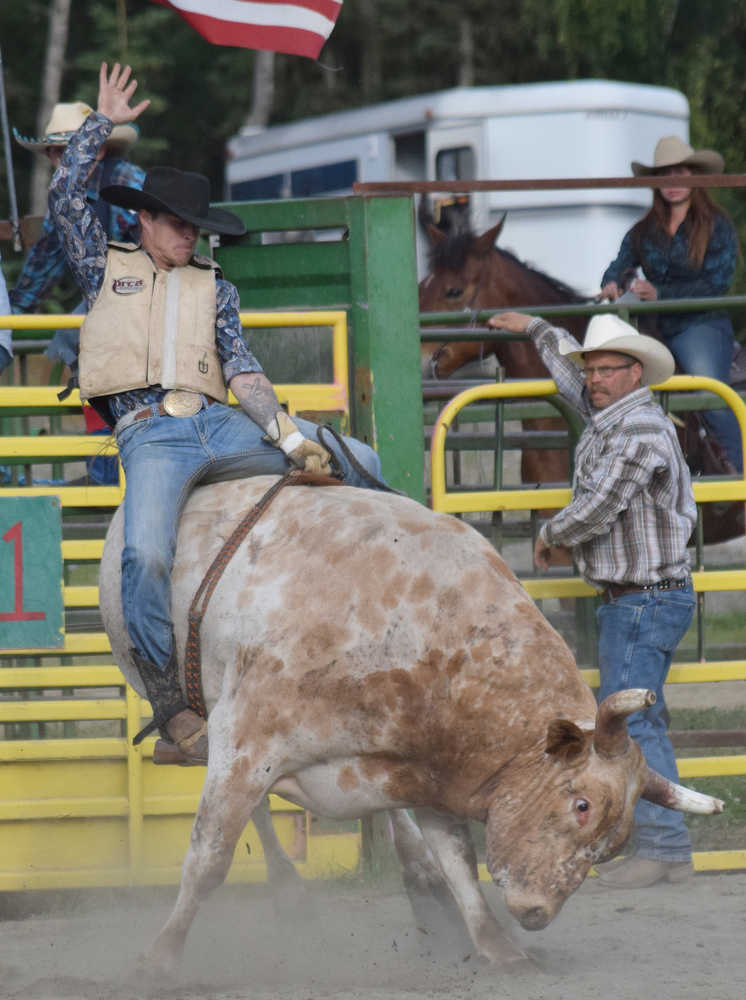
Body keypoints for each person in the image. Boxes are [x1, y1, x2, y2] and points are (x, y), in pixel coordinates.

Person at [50, 62, 385, 765]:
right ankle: (170, 702)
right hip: (149, 432)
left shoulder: (216, 288)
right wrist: (97, 126)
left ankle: (392, 595)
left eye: (194, 228)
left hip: (219, 423)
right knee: (143, 552)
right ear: (142, 219)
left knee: (361, 458)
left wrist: (289, 435)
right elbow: (64, 199)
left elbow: (243, 369)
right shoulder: (99, 264)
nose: (188, 238)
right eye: (176, 225)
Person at [488, 308, 697, 889]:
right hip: (644, 599)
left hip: (641, 600)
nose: (595, 379)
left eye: (609, 369)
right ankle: (664, 846)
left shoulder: (638, 434)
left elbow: (600, 505)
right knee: (639, 719)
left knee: (631, 726)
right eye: (594, 367)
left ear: (636, 373)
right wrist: (536, 327)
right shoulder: (616, 415)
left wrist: (551, 532)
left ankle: (663, 848)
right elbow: (569, 376)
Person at [12, 100, 146, 483]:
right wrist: (12, 314)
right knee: (79, 333)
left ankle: (111, 468)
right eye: (53, 152)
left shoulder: (127, 184)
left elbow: (155, 250)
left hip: (148, 300)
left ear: (96, 148)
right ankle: (103, 467)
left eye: (65, 150)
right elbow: (46, 261)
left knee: (82, 332)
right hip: (106, 308)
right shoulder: (65, 202)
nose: (57, 160)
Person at [600, 135, 742, 472]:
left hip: (700, 323)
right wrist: (610, 282)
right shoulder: (643, 230)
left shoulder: (716, 226)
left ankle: (740, 472)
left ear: (694, 176)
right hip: (654, 325)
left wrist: (661, 296)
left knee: (711, 395)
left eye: (680, 173)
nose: (674, 183)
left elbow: (717, 285)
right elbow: (620, 263)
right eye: (665, 175)